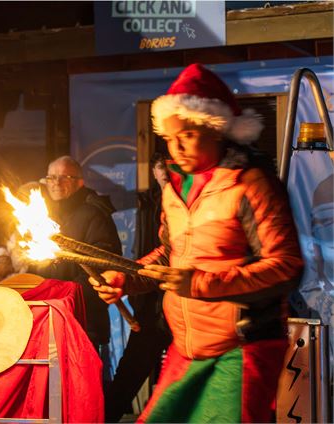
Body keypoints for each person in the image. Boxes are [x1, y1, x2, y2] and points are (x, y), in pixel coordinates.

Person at [90, 64, 303, 422]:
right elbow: (170, 255)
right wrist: (129, 279)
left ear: (214, 128)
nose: (177, 146)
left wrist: (202, 284)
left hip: (243, 347)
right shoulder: (175, 186)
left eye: (187, 133)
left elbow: (286, 268)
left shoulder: (250, 184)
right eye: (170, 137)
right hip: (187, 347)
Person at [105, 153, 172, 421]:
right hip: (154, 303)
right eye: (161, 182)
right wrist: (127, 279)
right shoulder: (156, 203)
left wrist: (192, 281)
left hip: (196, 315)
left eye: (168, 180)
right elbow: (166, 252)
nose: (166, 189)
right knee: (132, 369)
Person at [35, 155, 121, 350]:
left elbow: (102, 265)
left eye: (65, 177)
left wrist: (64, 296)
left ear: (80, 182)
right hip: (49, 317)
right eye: (51, 177)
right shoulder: (45, 215)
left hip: (84, 321)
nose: (56, 183)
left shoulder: (94, 215)